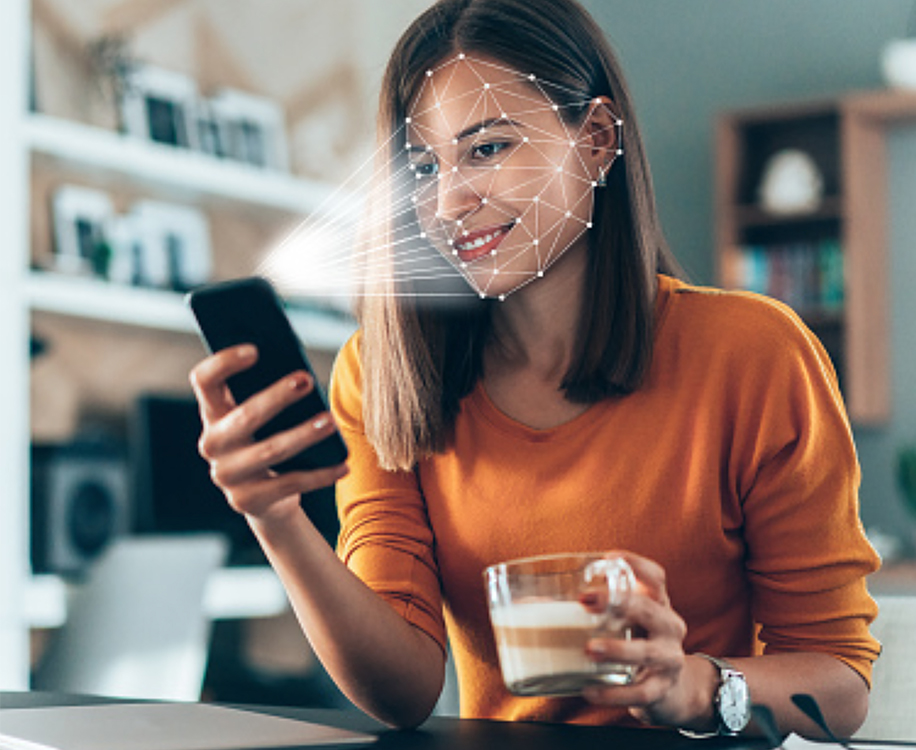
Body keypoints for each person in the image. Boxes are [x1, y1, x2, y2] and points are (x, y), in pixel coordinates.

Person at [189, 0, 880, 737]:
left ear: (597, 141)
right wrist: (274, 519)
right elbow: (403, 693)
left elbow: (840, 684)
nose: (450, 200)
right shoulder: (385, 375)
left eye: (487, 148)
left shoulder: (754, 354)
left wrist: (696, 685)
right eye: (423, 165)